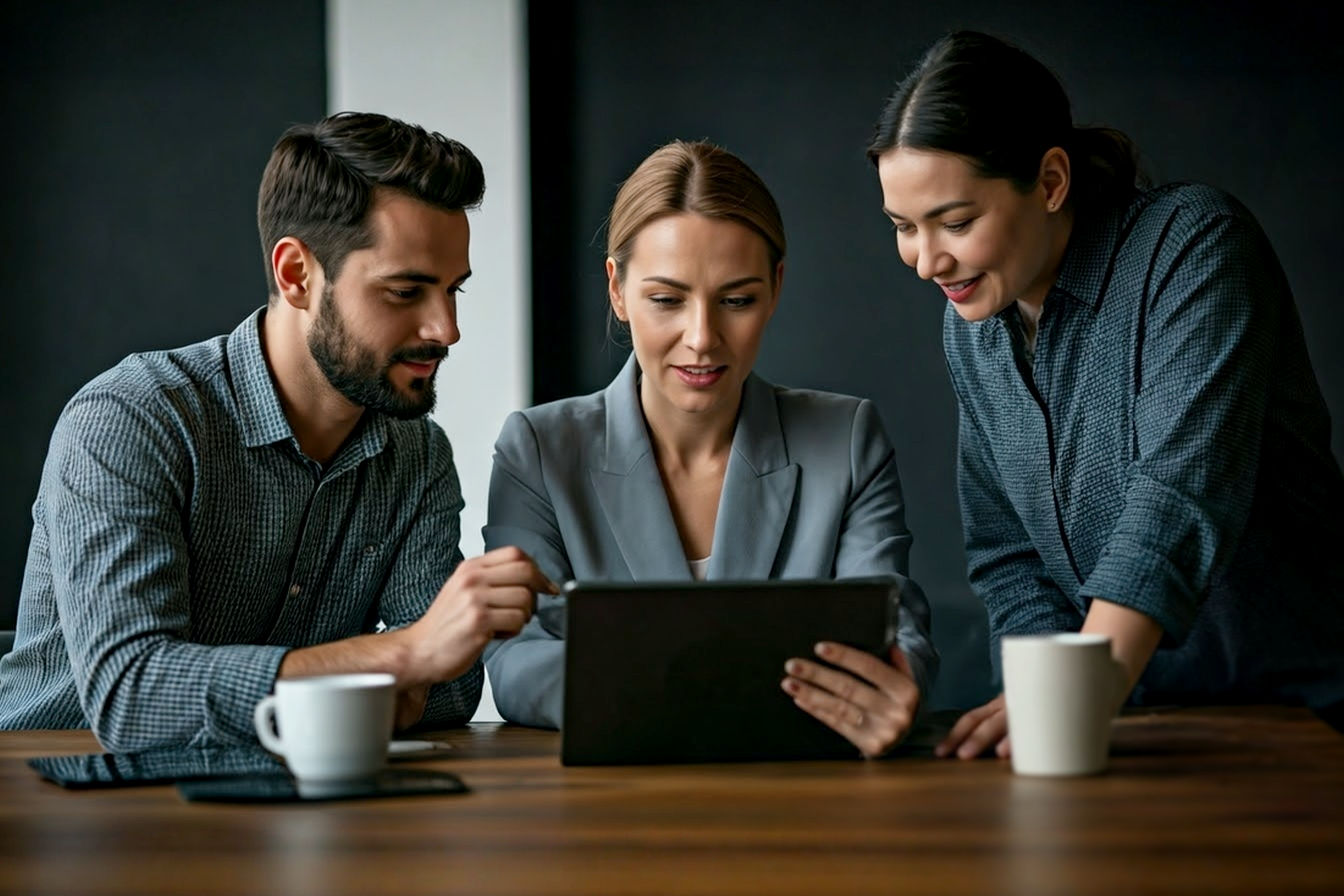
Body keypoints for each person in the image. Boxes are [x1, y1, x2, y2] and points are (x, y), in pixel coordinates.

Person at [0, 112, 555, 752]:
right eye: (406, 291)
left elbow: (451, 685)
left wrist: (402, 663)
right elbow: (133, 694)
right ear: (296, 275)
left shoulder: (416, 454)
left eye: (453, 290)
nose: (446, 329)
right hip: (69, 801)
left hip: (296, 797)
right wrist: (400, 656)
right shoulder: (133, 419)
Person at [865, 30, 1344, 758]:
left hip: (1297, 722)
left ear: (1051, 180)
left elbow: (1177, 501)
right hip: (1119, 735)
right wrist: (1045, 714)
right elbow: (1009, 555)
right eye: (904, 227)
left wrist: (1066, 700)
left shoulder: (1196, 248)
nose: (928, 261)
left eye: (957, 222)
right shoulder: (972, 326)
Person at [483, 140, 938, 757]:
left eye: (737, 300)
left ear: (776, 288)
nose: (702, 338)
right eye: (667, 300)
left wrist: (895, 687)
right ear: (617, 290)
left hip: (802, 797)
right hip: (612, 808)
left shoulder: (847, 438)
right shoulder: (538, 449)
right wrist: (706, 691)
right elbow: (516, 661)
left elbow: (896, 631)